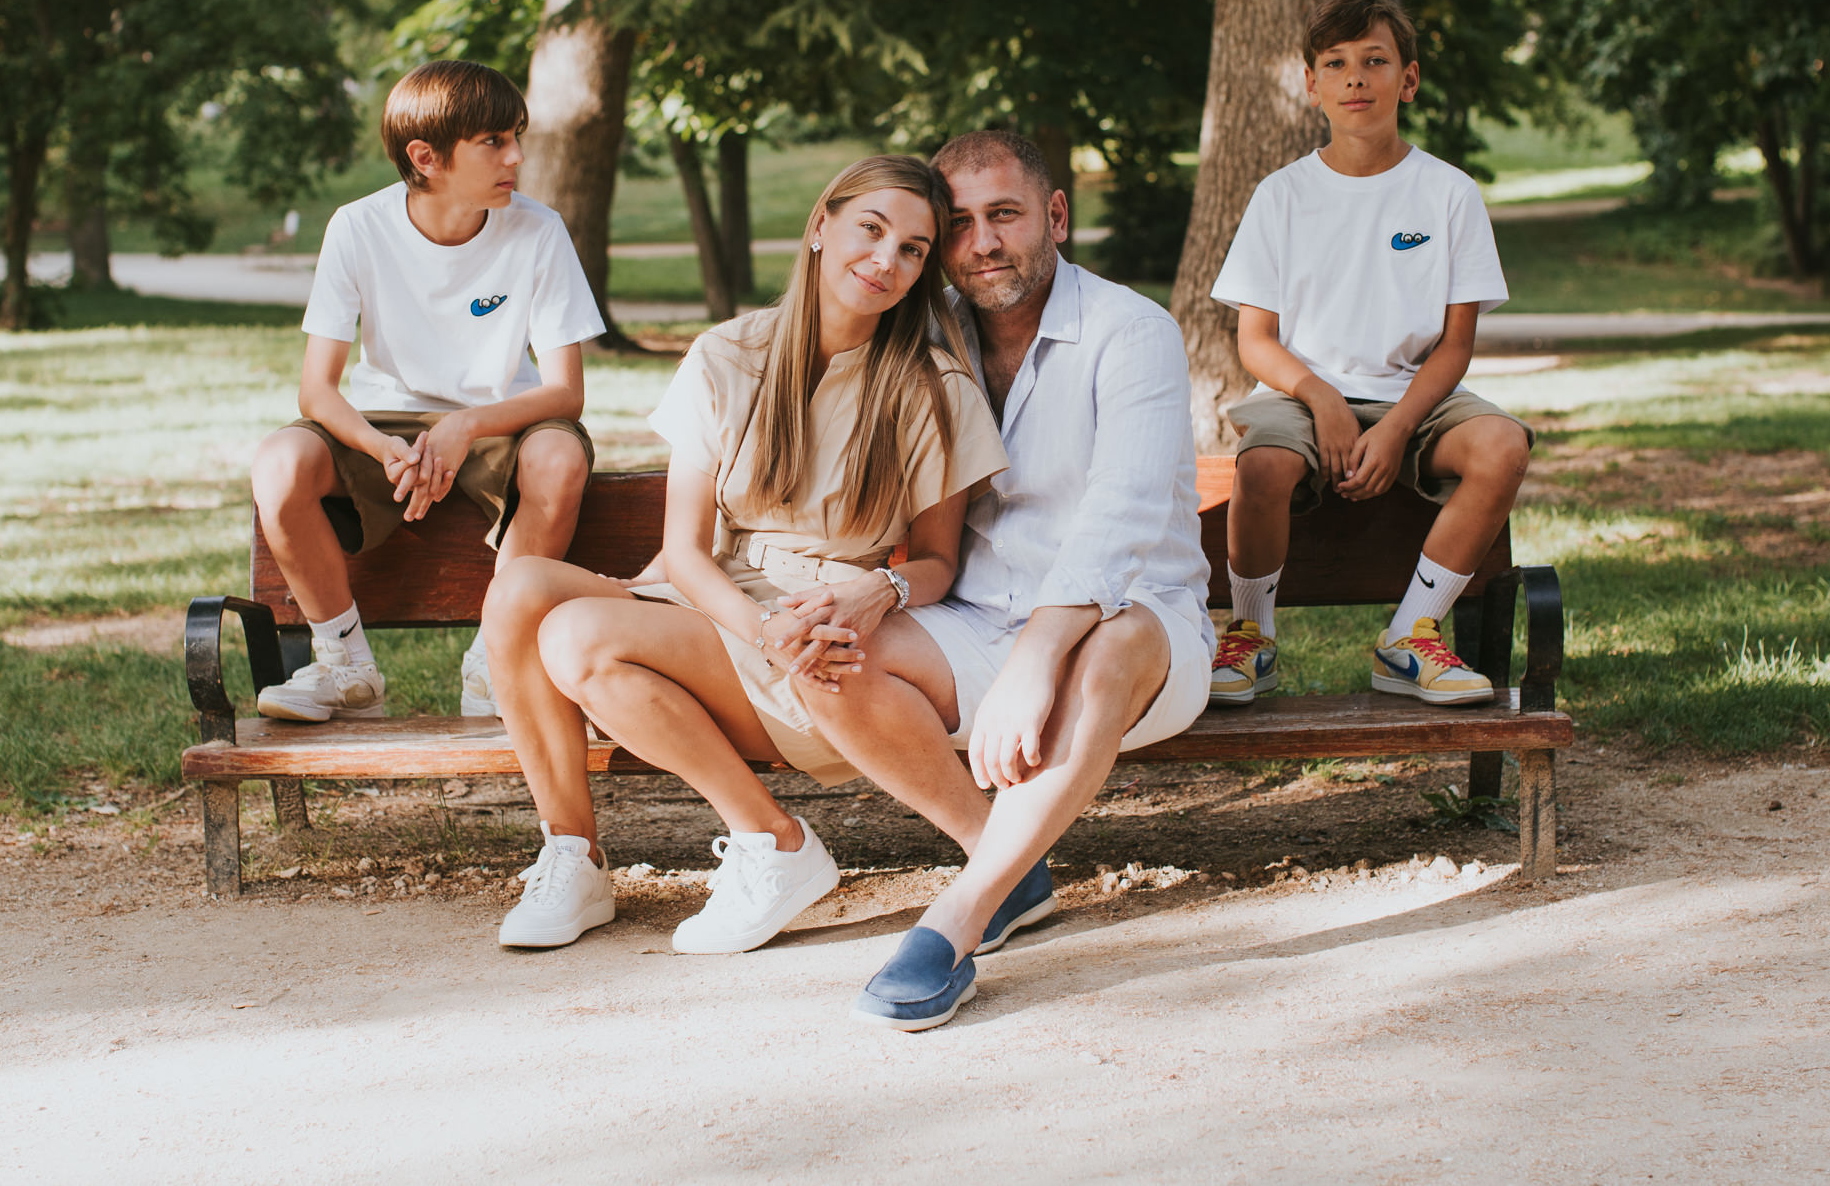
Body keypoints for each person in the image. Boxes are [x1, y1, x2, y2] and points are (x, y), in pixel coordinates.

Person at [477, 155, 1008, 955]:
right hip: (728, 604)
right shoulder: (728, 353)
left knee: (577, 638)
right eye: (872, 229)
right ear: (822, 225)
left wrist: (881, 589)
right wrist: (754, 626)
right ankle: (574, 856)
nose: (886, 260)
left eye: (913, 249)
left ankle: (773, 841)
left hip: (820, 633)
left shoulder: (931, 387)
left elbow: (937, 560)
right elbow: (683, 552)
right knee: (520, 587)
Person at [792, 131, 1214, 1031]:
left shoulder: (1130, 331)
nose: (982, 242)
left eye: (1005, 215)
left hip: (1140, 636)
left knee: (1116, 637)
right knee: (825, 654)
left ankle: (957, 919)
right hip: (980, 622)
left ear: (1054, 216)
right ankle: (1009, 864)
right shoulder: (928, 330)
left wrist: (1037, 659)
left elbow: (1124, 518)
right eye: (959, 224)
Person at [247, 60, 605, 724]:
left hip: (503, 419)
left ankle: (496, 661)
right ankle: (345, 667)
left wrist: (465, 424)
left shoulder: (539, 230)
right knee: (278, 463)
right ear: (426, 157)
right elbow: (316, 391)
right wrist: (382, 445)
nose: (516, 156)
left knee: (559, 458)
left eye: (515, 137)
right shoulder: (358, 227)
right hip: (383, 419)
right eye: (494, 142)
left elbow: (565, 391)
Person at [1209, 0, 1533, 709]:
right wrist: (1322, 398)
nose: (1356, 77)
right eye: (1337, 63)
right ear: (1312, 84)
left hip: (1417, 395)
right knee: (1261, 465)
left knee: (1503, 445)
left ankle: (1410, 636)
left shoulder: (1449, 194)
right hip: (1301, 394)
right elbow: (1255, 340)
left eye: (1375, 60)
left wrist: (1393, 427)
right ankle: (1250, 637)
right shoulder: (1280, 196)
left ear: (1408, 80)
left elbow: (1454, 347)